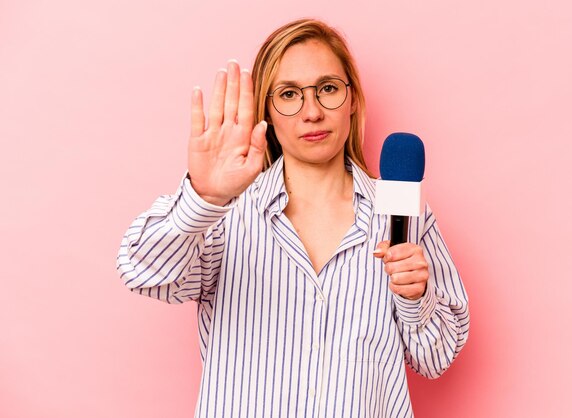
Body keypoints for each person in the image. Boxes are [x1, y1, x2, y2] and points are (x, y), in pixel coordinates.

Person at [117, 18, 469, 418]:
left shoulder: (404, 217)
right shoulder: (225, 214)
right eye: (289, 94)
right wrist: (205, 198)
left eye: (328, 89)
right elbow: (142, 271)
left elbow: (436, 357)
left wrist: (415, 298)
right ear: (266, 110)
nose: (313, 112)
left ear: (352, 99)